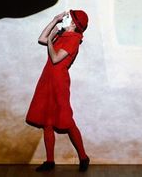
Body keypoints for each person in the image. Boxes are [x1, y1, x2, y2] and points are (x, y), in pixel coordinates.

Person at [25, 9, 90, 172]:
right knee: (47, 120)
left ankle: (83, 156)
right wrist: (55, 21)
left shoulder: (74, 39)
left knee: (66, 120)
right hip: (47, 78)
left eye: (68, 17)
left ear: (74, 23)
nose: (65, 18)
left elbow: (55, 59)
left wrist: (50, 42)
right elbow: (41, 38)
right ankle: (49, 161)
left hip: (59, 81)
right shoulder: (63, 34)